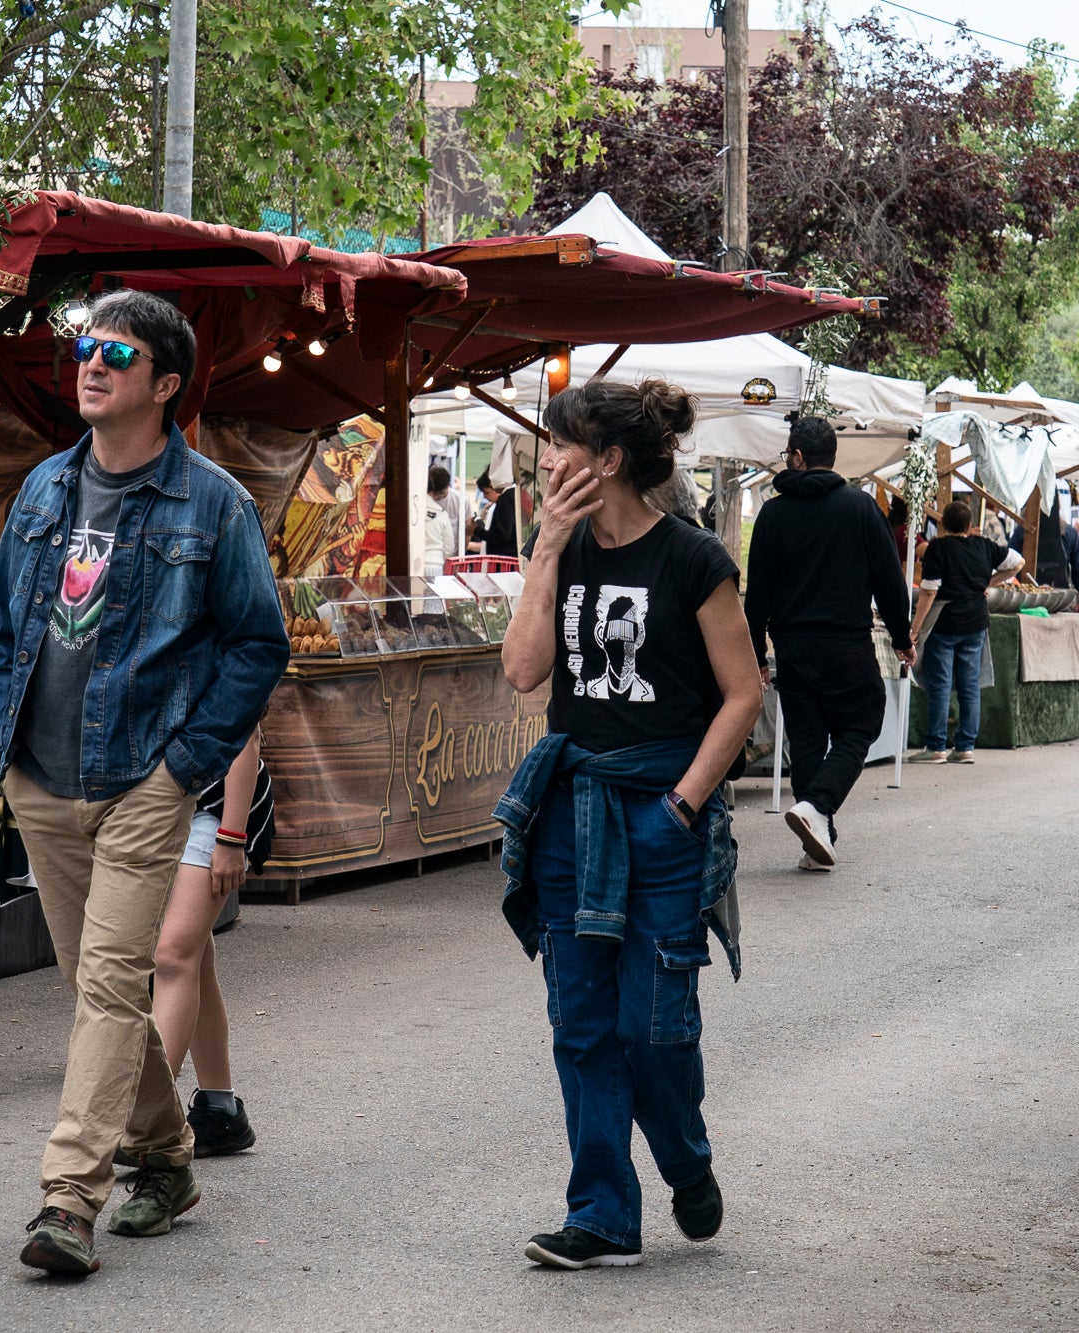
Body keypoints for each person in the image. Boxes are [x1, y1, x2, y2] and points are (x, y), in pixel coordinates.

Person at [0, 290, 288, 1276]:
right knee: (95, 986)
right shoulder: (38, 491)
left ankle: (68, 1198)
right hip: (40, 776)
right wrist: (3, 745)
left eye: (116, 351)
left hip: (139, 782)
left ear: (164, 384)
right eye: (84, 346)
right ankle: (165, 1154)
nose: (91, 363)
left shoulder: (212, 501)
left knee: (112, 982)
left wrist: (183, 769)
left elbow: (256, 644)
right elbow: (1, 630)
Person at [496, 379, 761, 1270]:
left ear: (606, 460)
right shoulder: (560, 554)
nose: (545, 461)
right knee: (582, 1025)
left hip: (661, 811)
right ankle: (603, 1213)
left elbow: (743, 694)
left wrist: (685, 802)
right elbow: (526, 671)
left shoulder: (694, 560)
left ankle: (685, 1158)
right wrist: (544, 553)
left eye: (559, 447)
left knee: (654, 1027)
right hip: (573, 812)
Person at [744, 416, 914, 872]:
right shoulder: (859, 508)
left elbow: (756, 593)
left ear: (797, 457)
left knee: (806, 739)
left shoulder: (772, 514)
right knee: (861, 725)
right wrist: (903, 637)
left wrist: (757, 656)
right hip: (845, 644)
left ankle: (818, 840)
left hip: (793, 648)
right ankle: (818, 809)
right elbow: (889, 580)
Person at [150, 730, 274, 1157]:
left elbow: (245, 735)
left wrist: (232, 837)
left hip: (217, 806)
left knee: (172, 954)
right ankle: (220, 1110)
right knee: (193, 957)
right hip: (154, 803)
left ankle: (149, 1119)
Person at [907, 501, 1025, 764]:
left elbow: (928, 591)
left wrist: (914, 629)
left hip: (945, 623)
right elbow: (1018, 563)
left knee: (940, 684)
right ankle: (965, 747)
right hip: (975, 622)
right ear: (969, 525)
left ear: (944, 525)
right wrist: (988, 581)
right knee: (970, 685)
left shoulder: (938, 548)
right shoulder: (984, 546)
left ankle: (936, 746)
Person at [425, 465, 462, 577]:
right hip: (435, 564)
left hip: (413, 563)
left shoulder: (412, 508)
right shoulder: (442, 514)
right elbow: (449, 547)